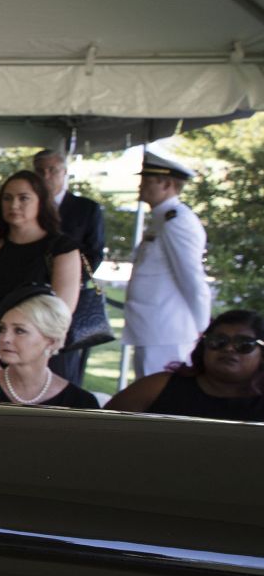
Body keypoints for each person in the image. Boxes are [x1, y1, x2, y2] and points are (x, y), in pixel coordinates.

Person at [0, 170, 80, 376]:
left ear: (41, 201)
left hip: (39, 361)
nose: (13, 205)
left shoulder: (62, 249)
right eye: (7, 198)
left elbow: (60, 315)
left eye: (23, 198)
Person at [123, 151, 210, 378]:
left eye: (147, 181)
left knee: (162, 401)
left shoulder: (177, 222)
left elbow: (191, 278)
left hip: (167, 331)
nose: (140, 186)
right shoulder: (162, 219)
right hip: (153, 328)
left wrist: (202, 326)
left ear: (168, 184)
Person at [30, 148, 105, 385]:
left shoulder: (86, 208)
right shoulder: (28, 204)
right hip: (29, 293)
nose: (46, 176)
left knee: (61, 368)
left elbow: (94, 253)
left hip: (66, 298)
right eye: (40, 171)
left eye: (52, 170)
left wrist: (67, 277)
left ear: (64, 172)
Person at [0, 285, 98, 408]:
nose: (5, 338)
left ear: (51, 341)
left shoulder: (80, 404)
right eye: (3, 329)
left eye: (19, 331)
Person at [107, 310, 264, 421]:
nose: (228, 348)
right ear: (203, 347)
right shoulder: (157, 387)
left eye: (244, 344)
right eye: (218, 341)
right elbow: (100, 429)